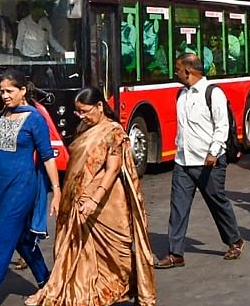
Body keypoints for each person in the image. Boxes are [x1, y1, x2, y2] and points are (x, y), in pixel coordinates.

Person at [27, 87, 156, 306]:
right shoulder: (84, 128)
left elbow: (112, 169)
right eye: (78, 112)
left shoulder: (113, 131)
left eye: (85, 111)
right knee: (80, 251)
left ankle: (128, 287)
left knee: (117, 254)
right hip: (78, 198)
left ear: (99, 106)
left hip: (107, 202)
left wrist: (96, 198)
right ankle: (89, 294)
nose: (82, 116)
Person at [0, 69, 61, 306]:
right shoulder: (2, 114)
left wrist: (57, 190)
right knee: (22, 240)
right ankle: (48, 283)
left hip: (23, 186)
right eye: (2, 91)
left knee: (3, 238)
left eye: (10, 91)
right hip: (1, 187)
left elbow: (47, 156)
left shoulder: (34, 118)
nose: (5, 96)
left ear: (23, 91)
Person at [154, 53, 244, 269]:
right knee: (178, 207)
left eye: (177, 69)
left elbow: (221, 126)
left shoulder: (213, 93)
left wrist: (213, 152)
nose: (175, 73)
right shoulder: (181, 95)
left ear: (188, 71)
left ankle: (234, 240)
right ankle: (176, 253)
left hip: (208, 162)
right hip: (183, 161)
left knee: (217, 202)